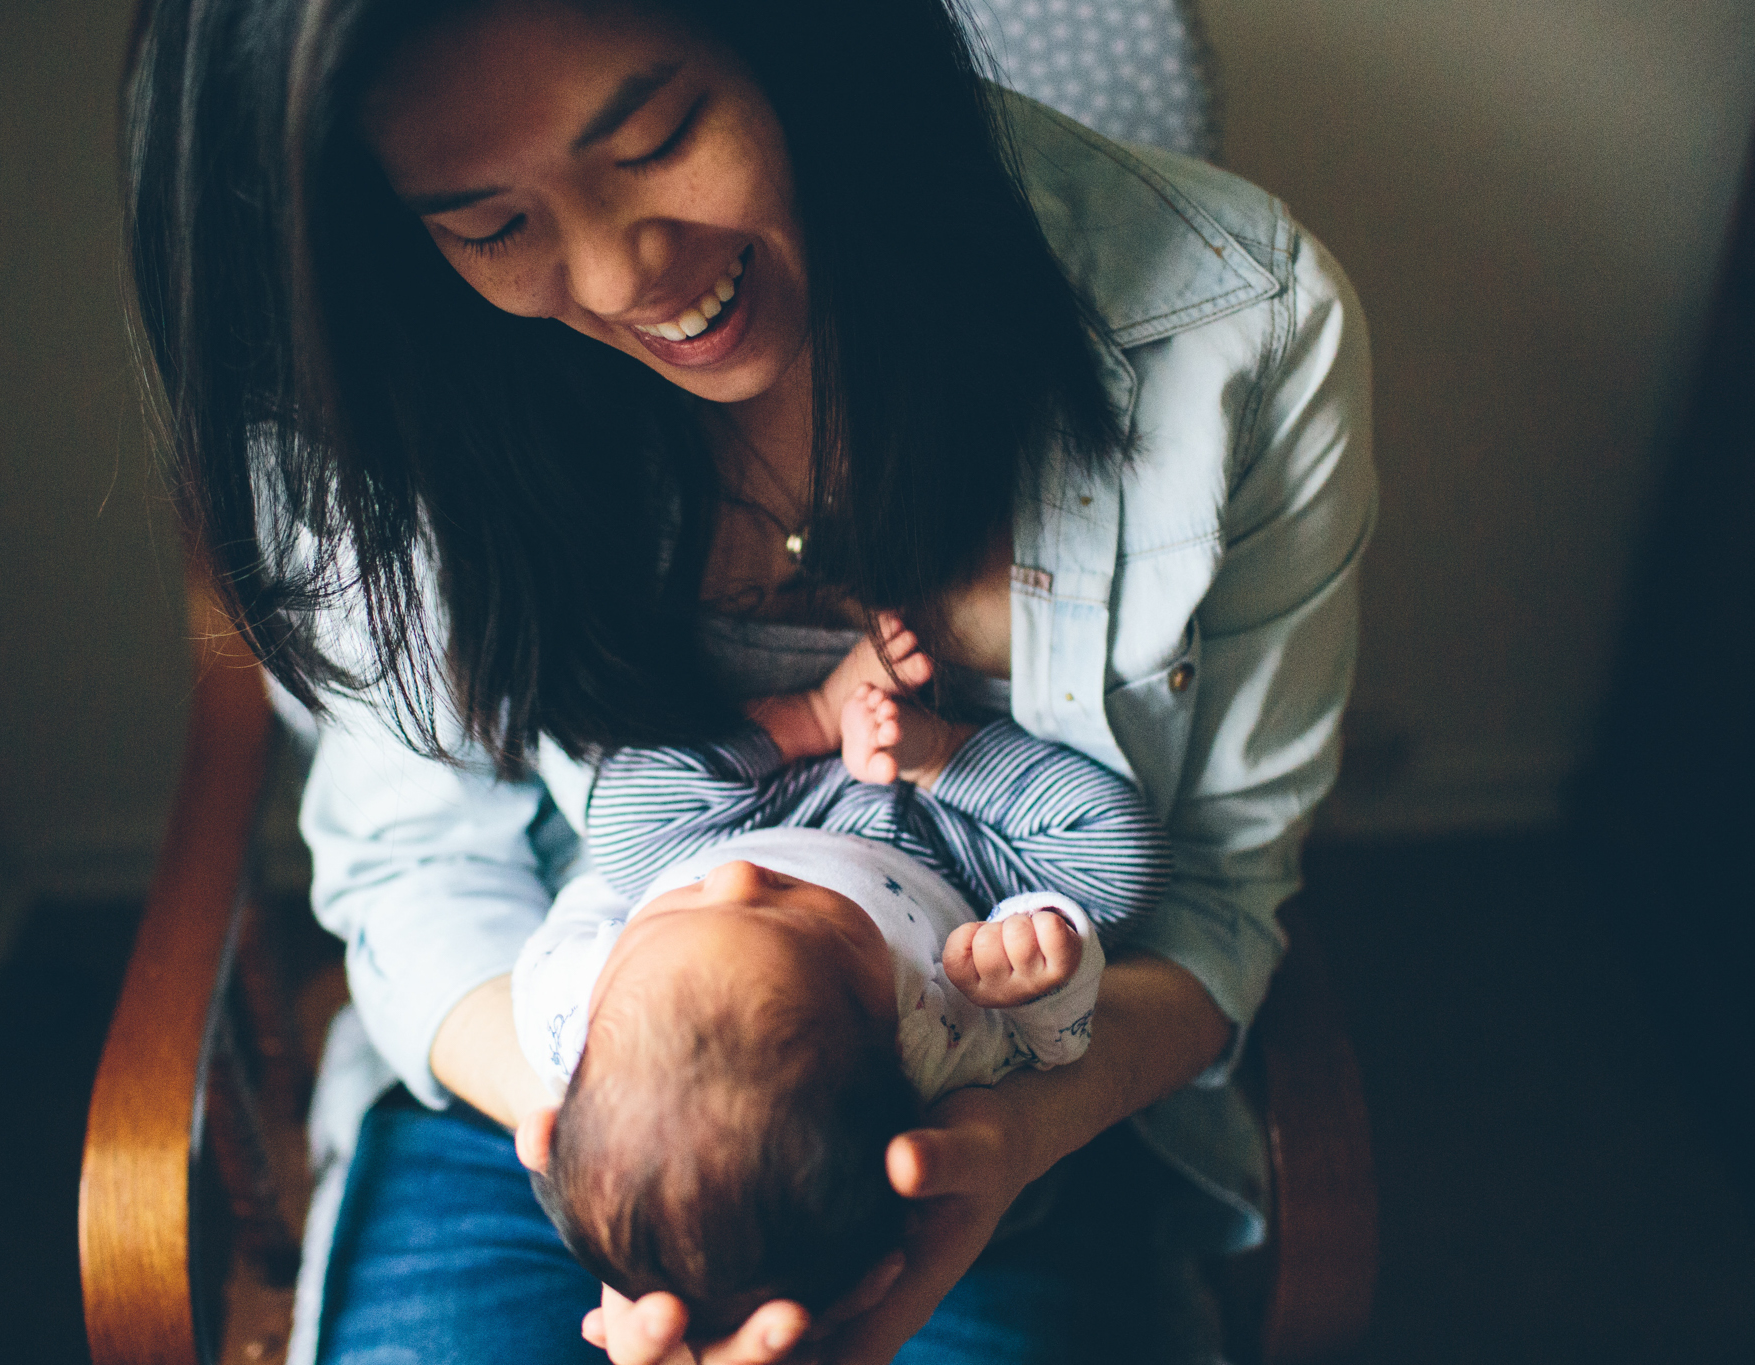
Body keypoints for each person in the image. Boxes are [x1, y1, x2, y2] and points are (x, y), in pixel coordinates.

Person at [121, 0, 1375, 1360]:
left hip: (1015, 1100)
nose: (617, 278)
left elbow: (1209, 897)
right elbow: (416, 863)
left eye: (654, 140)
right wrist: (597, 1104)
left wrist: (996, 1140)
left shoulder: (1238, 331)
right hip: (537, 1071)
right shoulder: (390, 377)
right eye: (491, 224)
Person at [509, 619, 1167, 1339]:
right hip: (952, 849)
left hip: (740, 812)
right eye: (788, 917)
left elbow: (571, 920)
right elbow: (1059, 1041)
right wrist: (1035, 962)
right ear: (893, 1038)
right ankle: (942, 750)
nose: (734, 880)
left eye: (683, 917)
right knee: (1122, 861)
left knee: (627, 813)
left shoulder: (566, 1011)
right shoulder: (941, 1047)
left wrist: (815, 721)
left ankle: (815, 716)